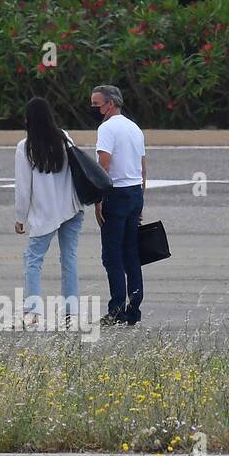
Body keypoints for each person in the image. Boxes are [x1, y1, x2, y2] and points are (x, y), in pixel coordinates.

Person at [13, 97, 83, 329]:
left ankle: (33, 311)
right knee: (69, 259)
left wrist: (20, 217)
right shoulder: (64, 138)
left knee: (33, 260)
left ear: (28, 120)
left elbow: (24, 188)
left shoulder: (26, 147)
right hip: (71, 208)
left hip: (45, 213)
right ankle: (71, 312)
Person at [90, 84, 147, 326]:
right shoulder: (134, 128)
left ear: (109, 104)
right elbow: (143, 166)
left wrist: (98, 199)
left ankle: (116, 309)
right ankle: (134, 309)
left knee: (112, 256)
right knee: (131, 253)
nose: (94, 109)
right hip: (135, 192)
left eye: (96, 104)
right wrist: (141, 198)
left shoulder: (107, 128)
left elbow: (103, 166)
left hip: (116, 193)